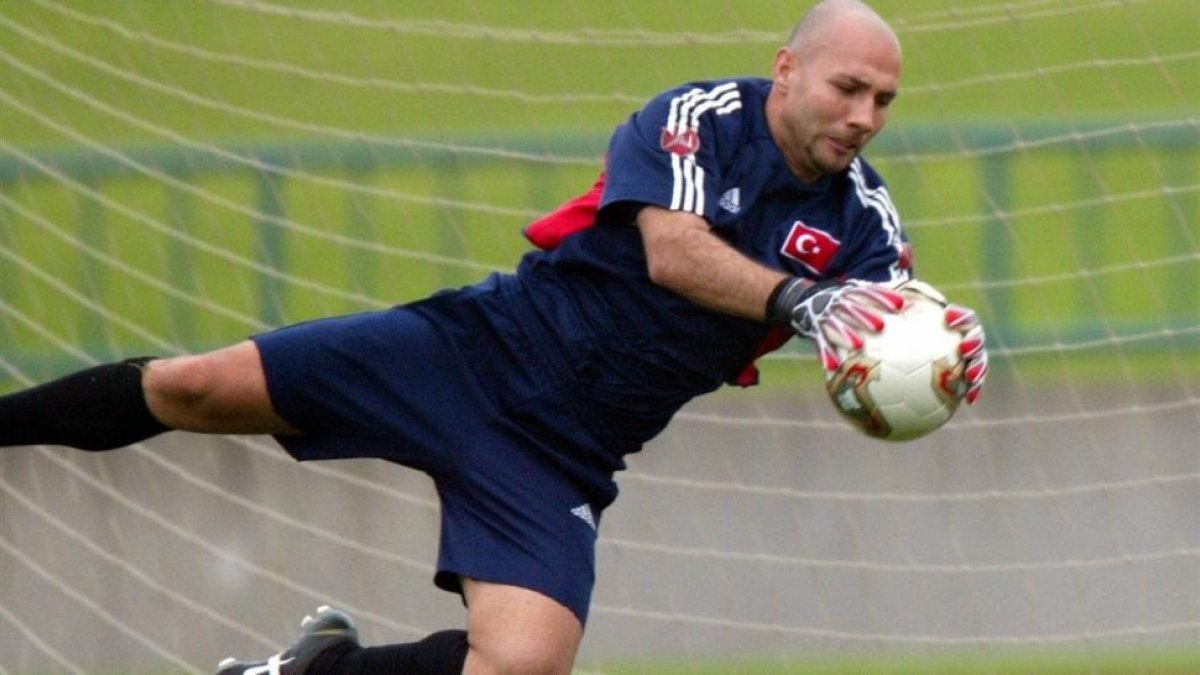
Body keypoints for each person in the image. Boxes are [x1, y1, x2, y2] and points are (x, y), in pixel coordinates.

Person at [0, 1, 989, 673]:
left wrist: (941, 349)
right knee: (192, 387)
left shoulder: (866, 220)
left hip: (562, 451)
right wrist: (798, 302)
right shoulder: (695, 118)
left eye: (883, 101)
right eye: (846, 88)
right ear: (788, 70)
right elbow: (675, 254)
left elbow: (881, 333)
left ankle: (318, 670)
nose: (863, 117)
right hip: (470, 352)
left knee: (521, 664)